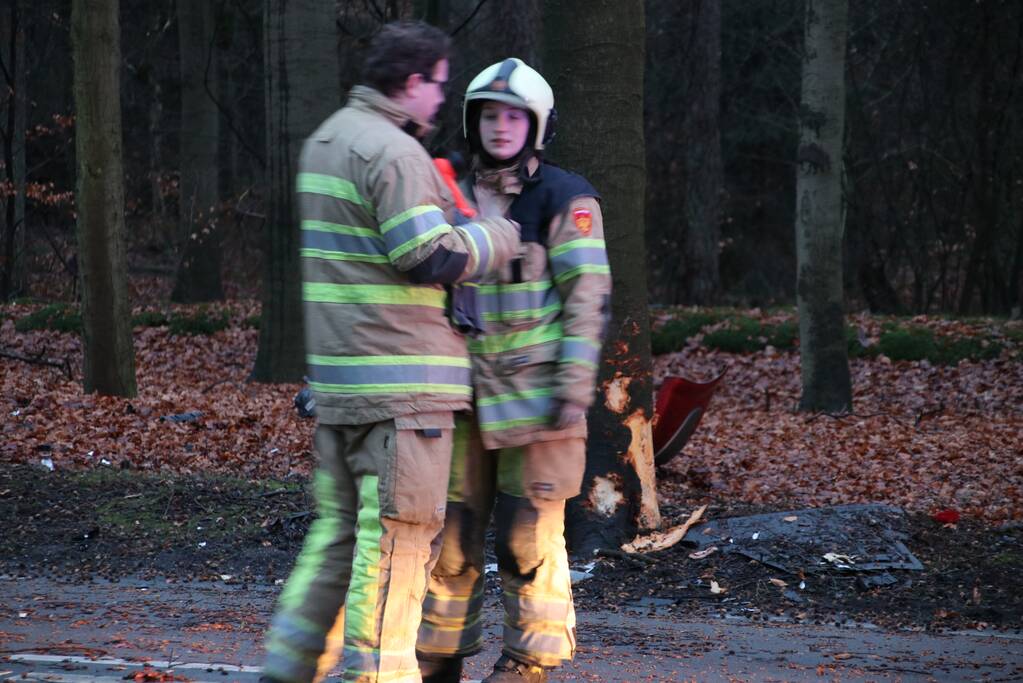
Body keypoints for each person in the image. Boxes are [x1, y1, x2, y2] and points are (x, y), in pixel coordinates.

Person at [261, 23, 522, 683]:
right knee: (398, 547)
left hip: (342, 388)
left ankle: (286, 668)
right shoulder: (395, 152)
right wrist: (495, 237)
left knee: (334, 541)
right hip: (403, 396)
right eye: (439, 84)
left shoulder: (325, 140)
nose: (442, 99)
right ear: (413, 81)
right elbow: (424, 253)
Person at [416, 58, 611, 683]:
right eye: (490, 115)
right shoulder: (444, 190)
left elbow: (587, 296)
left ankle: (527, 663)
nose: (501, 128)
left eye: (514, 116)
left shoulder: (565, 197)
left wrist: (575, 387)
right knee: (448, 540)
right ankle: (437, 657)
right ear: (473, 121)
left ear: (538, 125)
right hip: (457, 397)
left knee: (526, 544)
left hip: (538, 400)